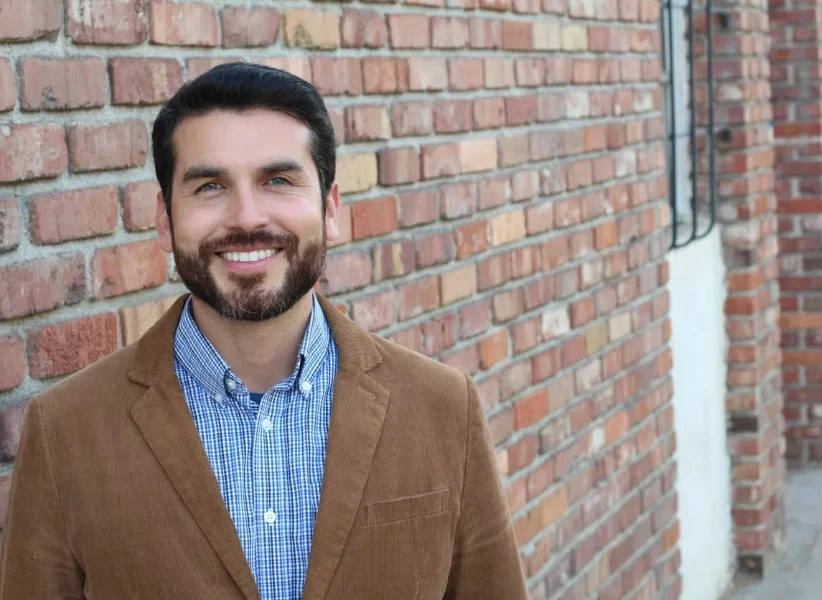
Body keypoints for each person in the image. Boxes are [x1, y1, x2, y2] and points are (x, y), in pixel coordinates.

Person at [0, 63, 528, 600]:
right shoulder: (63, 431)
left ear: (330, 208)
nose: (246, 217)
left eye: (278, 180)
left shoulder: (443, 408)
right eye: (210, 186)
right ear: (164, 219)